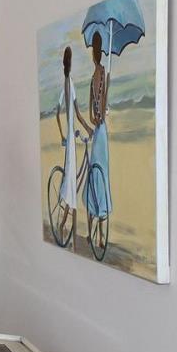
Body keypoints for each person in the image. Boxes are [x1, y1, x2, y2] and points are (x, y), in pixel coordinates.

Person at [75, 30, 111, 221]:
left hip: (96, 129)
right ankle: (100, 218)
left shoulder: (92, 78)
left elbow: (92, 114)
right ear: (102, 51)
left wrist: (94, 120)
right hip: (102, 131)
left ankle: (92, 220)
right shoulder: (104, 73)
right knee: (102, 172)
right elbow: (103, 108)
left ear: (92, 53)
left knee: (93, 172)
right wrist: (108, 88)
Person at [57, 46, 79, 207]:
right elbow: (77, 114)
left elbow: (58, 114)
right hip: (70, 134)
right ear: (70, 63)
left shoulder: (65, 83)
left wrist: (61, 135)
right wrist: (88, 128)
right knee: (71, 174)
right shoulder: (70, 82)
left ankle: (66, 214)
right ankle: (66, 212)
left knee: (70, 173)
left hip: (69, 132)